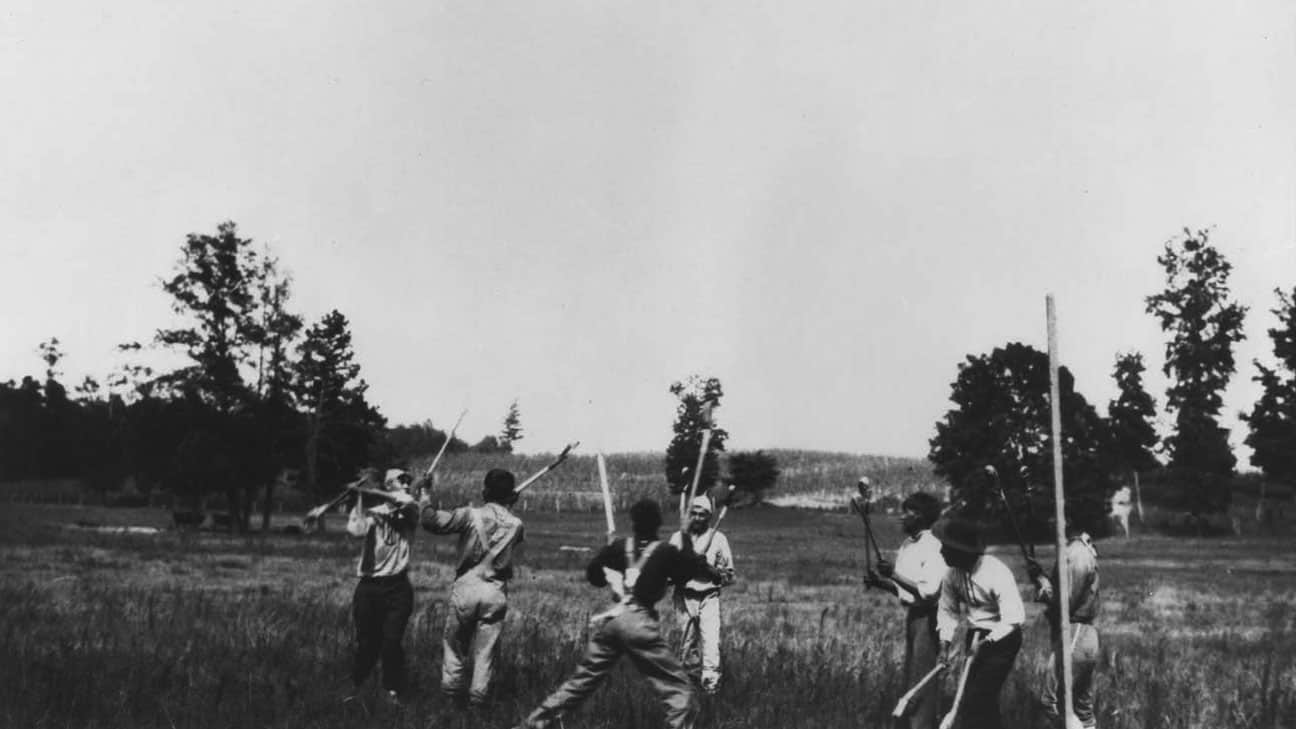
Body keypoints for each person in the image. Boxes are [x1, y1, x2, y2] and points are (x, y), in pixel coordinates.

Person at [515, 498, 721, 729]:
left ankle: (530, 726)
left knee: (579, 684)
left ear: (633, 522)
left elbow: (594, 576)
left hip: (613, 621)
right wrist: (685, 542)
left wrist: (607, 551)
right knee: (681, 692)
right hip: (640, 624)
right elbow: (685, 575)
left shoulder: (620, 546)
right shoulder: (666, 551)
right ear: (658, 524)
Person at [420, 468, 525, 707]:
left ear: (484, 491)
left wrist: (425, 495)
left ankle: (450, 699)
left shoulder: (469, 515)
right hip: (496, 591)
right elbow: (507, 531)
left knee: (455, 646)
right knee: (485, 652)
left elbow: (430, 521)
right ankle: (478, 702)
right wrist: (508, 506)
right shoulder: (517, 523)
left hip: (467, 587)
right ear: (510, 495)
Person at [934, 518, 1026, 729]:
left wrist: (986, 642)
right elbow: (947, 612)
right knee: (982, 701)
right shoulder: (952, 574)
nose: (941, 553)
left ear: (962, 551)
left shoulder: (996, 572)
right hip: (975, 634)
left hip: (1003, 638)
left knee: (976, 699)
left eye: (946, 548)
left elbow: (1014, 617)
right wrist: (944, 645)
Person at [865, 492, 947, 729]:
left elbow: (928, 593)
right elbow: (905, 590)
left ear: (920, 517)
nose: (902, 517)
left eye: (907, 512)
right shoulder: (907, 545)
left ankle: (921, 725)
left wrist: (893, 575)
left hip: (929, 619)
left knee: (921, 682)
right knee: (911, 678)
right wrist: (881, 582)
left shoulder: (933, 547)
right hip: (913, 617)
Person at [346, 468, 419, 704]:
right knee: (367, 643)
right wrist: (359, 497)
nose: (407, 484)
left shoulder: (410, 509)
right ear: (389, 485)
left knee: (391, 642)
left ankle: (393, 690)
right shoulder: (372, 512)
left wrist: (369, 490)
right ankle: (357, 687)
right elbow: (355, 531)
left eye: (409, 480)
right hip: (369, 587)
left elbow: (404, 501)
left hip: (398, 587)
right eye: (402, 480)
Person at [1027, 519, 1101, 729]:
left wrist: (1043, 585)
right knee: (1080, 708)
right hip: (1082, 634)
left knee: (1053, 702)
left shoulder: (1076, 554)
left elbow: (1066, 603)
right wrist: (1041, 577)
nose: (1050, 522)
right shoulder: (1076, 550)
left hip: (1076, 633)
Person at [669, 495, 736, 695]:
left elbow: (728, 577)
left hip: (709, 597)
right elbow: (667, 574)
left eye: (702, 515)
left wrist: (705, 566)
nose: (697, 518)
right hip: (683, 597)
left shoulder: (718, 539)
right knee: (686, 645)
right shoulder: (678, 538)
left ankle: (711, 689)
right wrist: (681, 570)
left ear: (709, 517)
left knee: (711, 644)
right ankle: (689, 689)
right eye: (694, 513)